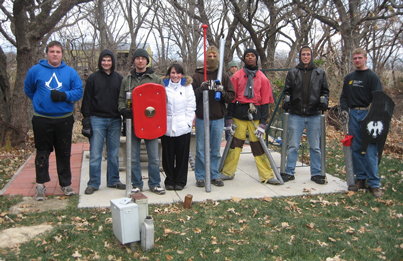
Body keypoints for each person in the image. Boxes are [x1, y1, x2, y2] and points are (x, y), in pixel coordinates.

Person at [24, 41, 83, 201]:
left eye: (58, 51)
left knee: (64, 152)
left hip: (64, 119)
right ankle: (41, 186)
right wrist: (40, 102)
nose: (55, 54)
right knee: (42, 153)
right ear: (47, 53)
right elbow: (28, 89)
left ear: (62, 54)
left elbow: (78, 91)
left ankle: (65, 184)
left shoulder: (70, 72)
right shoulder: (35, 71)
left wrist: (65, 96)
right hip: (42, 119)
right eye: (52, 51)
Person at [220, 48, 280, 184]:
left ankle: (267, 175)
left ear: (256, 58)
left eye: (253, 55)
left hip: (256, 118)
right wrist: (229, 119)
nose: (250, 58)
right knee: (234, 145)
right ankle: (228, 172)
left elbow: (265, 102)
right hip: (238, 116)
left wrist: (263, 123)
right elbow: (231, 99)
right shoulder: (236, 77)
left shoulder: (263, 78)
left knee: (259, 146)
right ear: (244, 58)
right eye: (247, 56)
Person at [118, 48, 166, 195]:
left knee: (153, 157)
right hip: (133, 123)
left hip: (151, 123)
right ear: (134, 61)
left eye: (143, 58)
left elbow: (164, 100)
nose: (140, 61)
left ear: (147, 60)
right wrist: (123, 110)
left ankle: (155, 183)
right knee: (133, 157)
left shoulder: (156, 79)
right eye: (137, 58)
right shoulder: (127, 80)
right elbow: (121, 99)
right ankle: (136, 184)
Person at [281, 46, 329, 185]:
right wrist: (286, 101)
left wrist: (324, 101)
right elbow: (287, 91)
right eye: (303, 54)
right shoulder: (293, 72)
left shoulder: (320, 73)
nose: (306, 56)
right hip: (296, 114)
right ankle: (289, 172)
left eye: (308, 54)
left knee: (315, 146)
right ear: (300, 56)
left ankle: (316, 173)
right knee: (293, 145)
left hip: (314, 114)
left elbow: (325, 91)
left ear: (311, 56)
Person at [339, 48, 383, 198]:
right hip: (353, 115)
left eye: (360, 58)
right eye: (355, 58)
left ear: (365, 58)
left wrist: (373, 115)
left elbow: (379, 99)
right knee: (356, 148)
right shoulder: (349, 78)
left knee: (370, 149)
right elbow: (343, 97)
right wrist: (344, 110)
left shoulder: (372, 77)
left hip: (368, 115)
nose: (357, 60)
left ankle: (374, 183)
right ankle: (360, 179)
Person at [81, 49, 125, 195]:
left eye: (109, 60)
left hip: (114, 120)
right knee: (95, 153)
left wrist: (124, 118)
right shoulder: (93, 79)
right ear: (100, 62)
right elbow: (86, 100)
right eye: (104, 60)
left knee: (113, 153)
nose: (106, 63)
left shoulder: (119, 79)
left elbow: (123, 100)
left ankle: (113, 180)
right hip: (97, 119)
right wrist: (86, 120)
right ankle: (93, 182)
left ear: (113, 62)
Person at [192, 46, 235, 188]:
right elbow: (190, 97)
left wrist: (222, 92)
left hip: (217, 118)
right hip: (201, 118)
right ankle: (201, 176)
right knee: (200, 149)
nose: (211, 59)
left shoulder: (223, 76)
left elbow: (231, 97)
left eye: (213, 56)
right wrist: (200, 89)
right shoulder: (197, 76)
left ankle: (214, 174)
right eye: (209, 56)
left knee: (215, 149)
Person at [161, 64, 196, 190]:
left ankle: (180, 181)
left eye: (178, 73)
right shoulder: (163, 86)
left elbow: (191, 106)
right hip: (167, 125)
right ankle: (169, 179)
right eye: (173, 73)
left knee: (182, 156)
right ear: (169, 74)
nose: (175, 76)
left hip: (183, 125)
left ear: (182, 74)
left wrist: (188, 122)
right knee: (168, 156)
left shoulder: (187, 86)